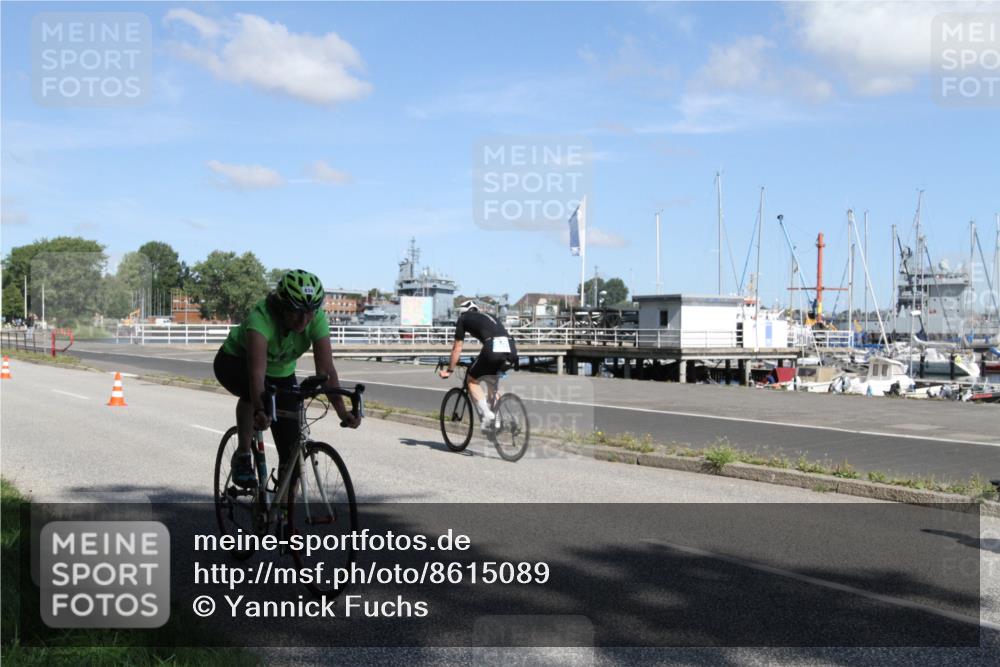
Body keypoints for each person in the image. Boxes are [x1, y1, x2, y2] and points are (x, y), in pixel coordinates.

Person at [214, 269, 360, 487]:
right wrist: (261, 409)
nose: (304, 319)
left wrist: (341, 410)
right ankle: (244, 454)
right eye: (296, 311)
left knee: (291, 452)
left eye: (310, 312)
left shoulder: (316, 319)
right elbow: (256, 373)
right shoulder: (261, 318)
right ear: (281, 305)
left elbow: (326, 369)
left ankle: (281, 512)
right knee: (252, 394)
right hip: (236, 362)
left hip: (280, 372)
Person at [438, 300, 518, 431]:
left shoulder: (463, 319)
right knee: (492, 384)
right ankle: (496, 423)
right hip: (511, 349)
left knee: (472, 380)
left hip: (493, 349)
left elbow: (457, 347)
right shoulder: (490, 316)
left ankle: (487, 415)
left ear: (462, 312)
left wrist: (449, 370)